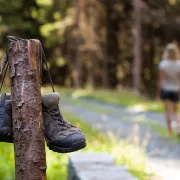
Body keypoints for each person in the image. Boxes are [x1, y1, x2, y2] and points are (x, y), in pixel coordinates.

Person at [157, 43, 180, 136]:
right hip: (176, 89)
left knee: (167, 112)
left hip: (166, 89)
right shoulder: (179, 64)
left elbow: (161, 80)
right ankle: (179, 128)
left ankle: (170, 132)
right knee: (176, 111)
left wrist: (158, 92)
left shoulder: (163, 64)